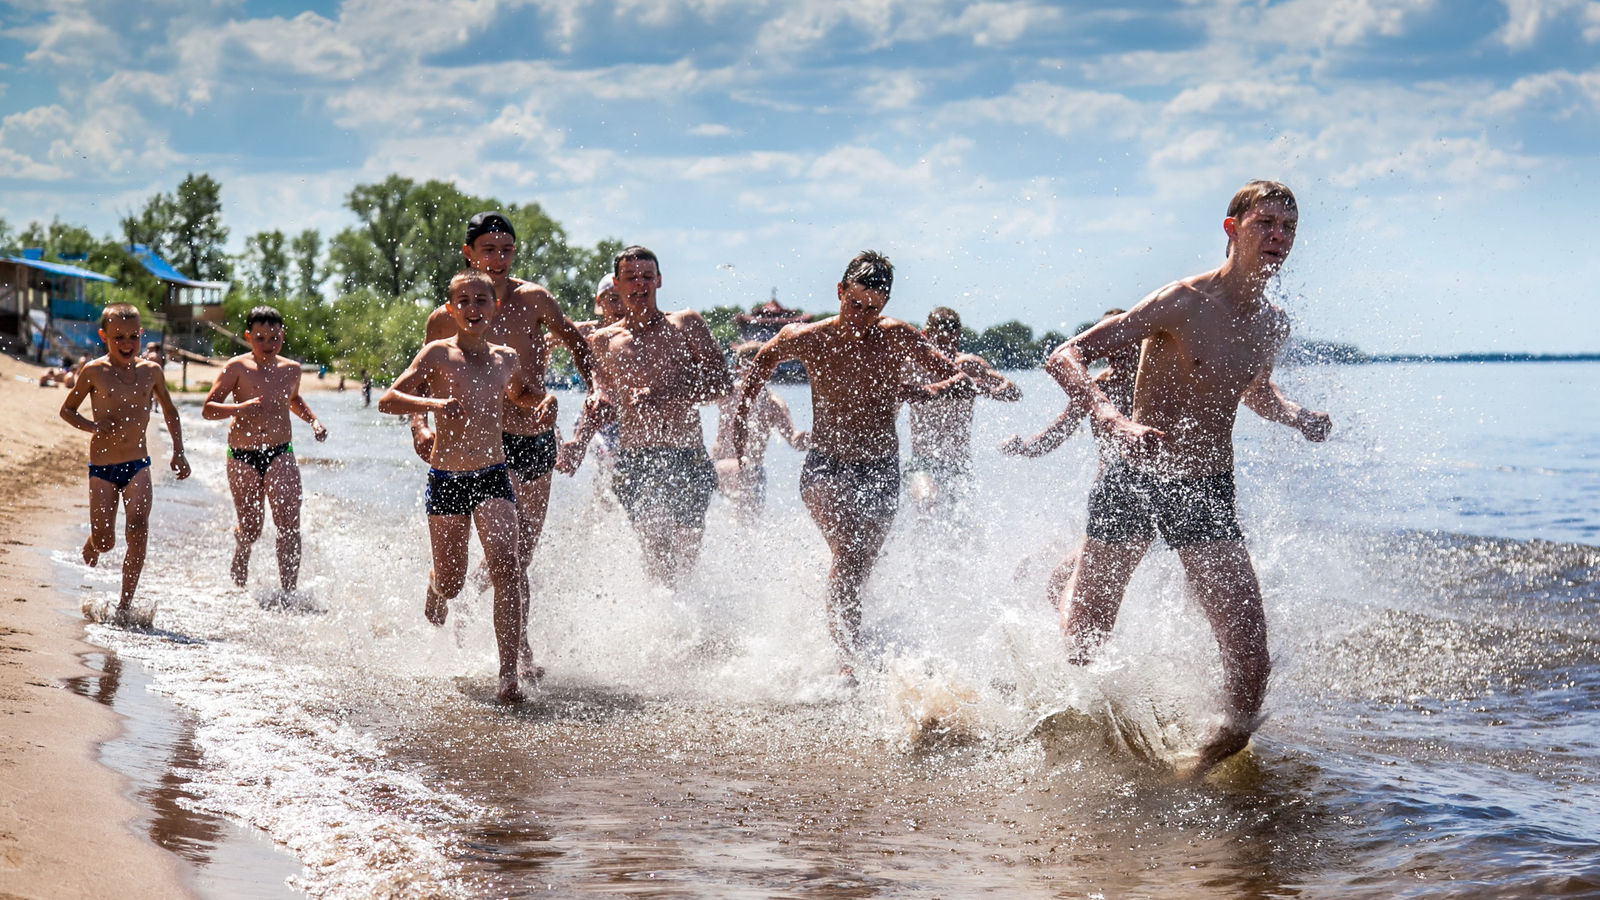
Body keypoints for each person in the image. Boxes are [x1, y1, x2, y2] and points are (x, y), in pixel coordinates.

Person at [1043, 180, 1331, 778]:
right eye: (1266, 223)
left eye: (1289, 228)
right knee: (1082, 647)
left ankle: (1191, 774)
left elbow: (1255, 392)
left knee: (1251, 659)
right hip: (1136, 478)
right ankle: (1065, 596)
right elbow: (1064, 355)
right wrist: (1111, 418)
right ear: (1232, 228)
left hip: (1206, 488)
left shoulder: (1272, 324)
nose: (1279, 237)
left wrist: (1297, 416)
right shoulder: (1182, 300)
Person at [729, 251, 973, 681]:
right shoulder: (805, 337)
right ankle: (847, 662)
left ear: (886, 306)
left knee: (857, 566)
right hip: (826, 465)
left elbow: (954, 375)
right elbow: (758, 369)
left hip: (880, 468)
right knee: (850, 551)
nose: (862, 316)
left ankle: (852, 641)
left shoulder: (897, 336)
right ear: (840, 292)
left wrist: (925, 391)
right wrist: (739, 427)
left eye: (873, 309)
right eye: (854, 304)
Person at [410, 212, 602, 626]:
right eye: (489, 250)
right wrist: (419, 425)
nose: (499, 258)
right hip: (480, 444)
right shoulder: (446, 317)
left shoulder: (534, 298)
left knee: (524, 554)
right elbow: (420, 383)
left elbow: (576, 342)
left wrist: (595, 387)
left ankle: (472, 600)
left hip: (533, 433)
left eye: (507, 250)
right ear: (469, 253)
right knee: (510, 555)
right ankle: (515, 648)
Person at [379, 269, 553, 704]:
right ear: (451, 309)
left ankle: (507, 677)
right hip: (447, 479)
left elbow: (523, 394)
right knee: (454, 584)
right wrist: (433, 404)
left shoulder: (506, 357)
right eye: (466, 302)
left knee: (507, 568)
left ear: (495, 307)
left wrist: (545, 404)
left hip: (493, 474)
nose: (474, 309)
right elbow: (389, 399)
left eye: (483, 300)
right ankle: (436, 581)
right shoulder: (438, 354)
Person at [587, 246, 731, 586]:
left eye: (647, 277)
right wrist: (595, 411)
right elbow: (604, 395)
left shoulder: (686, 325)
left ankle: (686, 623)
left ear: (659, 281)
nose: (640, 285)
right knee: (655, 543)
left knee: (686, 552)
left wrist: (668, 394)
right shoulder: (604, 341)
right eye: (631, 278)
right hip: (636, 457)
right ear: (618, 285)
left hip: (688, 455)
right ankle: (663, 624)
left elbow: (721, 383)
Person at [58, 304, 191, 622]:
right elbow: (67, 410)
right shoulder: (93, 371)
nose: (127, 343)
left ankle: (125, 605)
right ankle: (94, 540)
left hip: (138, 465)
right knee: (106, 541)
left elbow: (170, 412)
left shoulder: (151, 372)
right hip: (102, 469)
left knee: (138, 528)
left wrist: (178, 451)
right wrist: (92, 426)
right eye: (118, 337)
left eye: (133, 336)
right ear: (104, 336)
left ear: (141, 335)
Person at [999, 309, 1137, 607]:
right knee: (1043, 574)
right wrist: (1024, 447)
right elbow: (1061, 429)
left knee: (1064, 581)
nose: (1117, 354)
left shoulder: (1156, 385)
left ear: (1138, 342)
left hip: (1150, 497)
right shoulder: (1098, 387)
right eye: (1110, 348)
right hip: (1109, 498)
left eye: (1124, 344)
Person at [202, 306, 329, 593]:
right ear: (248, 336)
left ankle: (289, 594)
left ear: (282, 336)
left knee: (288, 521)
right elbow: (208, 409)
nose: (268, 344)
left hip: (280, 451)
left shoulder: (291, 370)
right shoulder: (236, 368)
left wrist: (314, 422)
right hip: (242, 456)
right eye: (260, 338)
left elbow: (293, 400)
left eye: (274, 338)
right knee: (251, 528)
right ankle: (242, 550)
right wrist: (239, 408)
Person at [904, 306, 1020, 516]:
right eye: (940, 343)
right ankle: (921, 548)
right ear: (925, 335)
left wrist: (986, 389)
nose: (946, 350)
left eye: (952, 342)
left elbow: (1013, 391)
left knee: (961, 528)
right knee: (926, 500)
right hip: (921, 462)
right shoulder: (911, 367)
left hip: (958, 464)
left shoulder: (968, 365)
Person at [710, 342, 808, 522]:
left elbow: (793, 439)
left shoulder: (773, 403)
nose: (755, 373)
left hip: (751, 473)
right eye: (749, 366)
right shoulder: (727, 393)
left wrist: (805, 439)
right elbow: (698, 398)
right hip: (717, 466)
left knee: (748, 527)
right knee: (740, 469)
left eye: (762, 367)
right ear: (737, 368)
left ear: (769, 369)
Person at [554, 272, 626, 478]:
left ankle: (604, 506)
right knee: (606, 467)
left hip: (625, 414)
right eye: (612, 299)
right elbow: (543, 343)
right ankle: (600, 505)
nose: (619, 306)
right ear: (599, 302)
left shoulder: (635, 333)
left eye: (623, 298)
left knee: (619, 472)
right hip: (592, 411)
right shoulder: (587, 331)